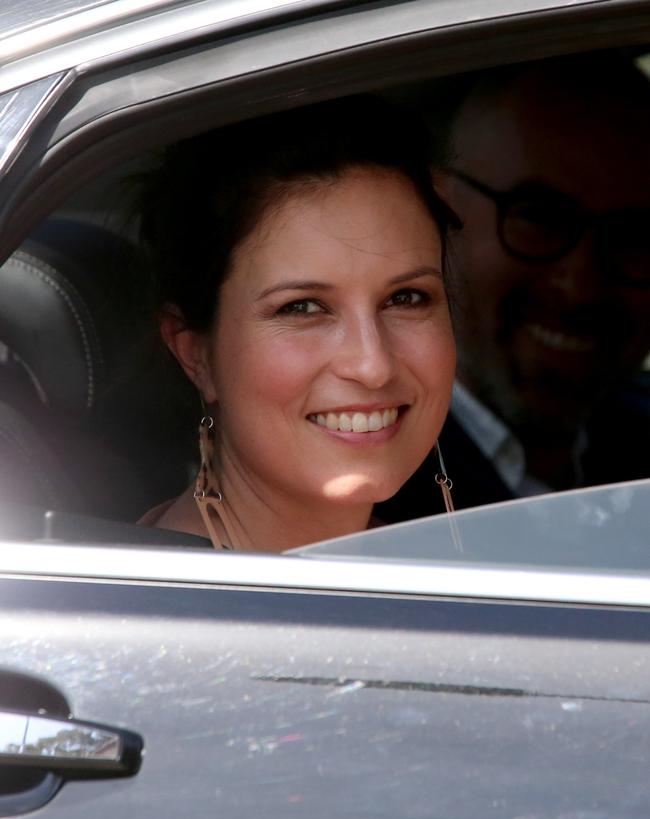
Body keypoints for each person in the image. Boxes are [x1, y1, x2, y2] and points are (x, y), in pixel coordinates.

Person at [137, 97, 457, 551]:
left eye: (405, 298)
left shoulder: (417, 569)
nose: (373, 365)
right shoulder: (157, 609)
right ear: (195, 353)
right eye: (303, 307)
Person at [377, 54, 650, 522]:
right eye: (539, 217)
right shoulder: (362, 489)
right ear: (438, 216)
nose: (580, 286)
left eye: (632, 237)